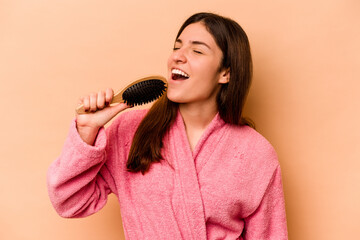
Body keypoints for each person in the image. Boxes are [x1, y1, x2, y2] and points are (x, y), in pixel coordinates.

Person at [47, 12, 288, 239]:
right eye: (176, 47)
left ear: (225, 73)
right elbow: (68, 201)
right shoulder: (130, 131)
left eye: (197, 51)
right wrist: (87, 131)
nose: (177, 56)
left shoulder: (256, 153)